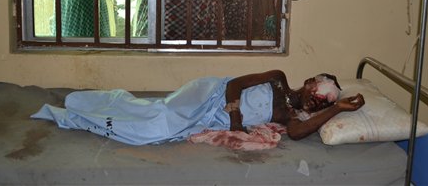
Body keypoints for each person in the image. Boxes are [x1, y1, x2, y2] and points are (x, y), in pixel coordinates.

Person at [31, 70, 365, 145]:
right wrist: (235, 118)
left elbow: (295, 134)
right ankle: (82, 104)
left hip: (213, 117)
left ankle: (78, 112)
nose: (315, 101)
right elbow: (235, 84)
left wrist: (339, 110)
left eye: (323, 103)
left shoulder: (295, 116)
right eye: (317, 93)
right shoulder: (278, 79)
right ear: (309, 82)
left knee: (153, 131)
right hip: (211, 93)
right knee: (161, 115)